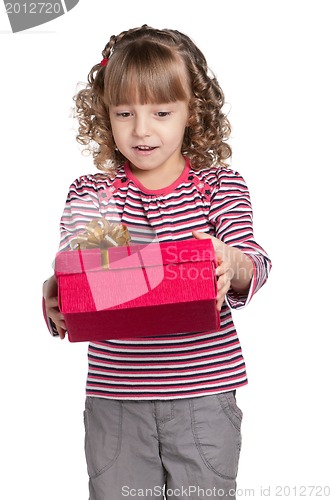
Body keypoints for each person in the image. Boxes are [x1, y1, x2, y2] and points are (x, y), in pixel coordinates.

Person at [43, 25, 271, 500]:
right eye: (125, 113)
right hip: (117, 401)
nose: (142, 130)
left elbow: (254, 262)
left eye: (162, 112)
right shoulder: (96, 193)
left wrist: (229, 262)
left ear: (192, 113)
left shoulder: (217, 188)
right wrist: (60, 284)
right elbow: (85, 264)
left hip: (202, 396)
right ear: (106, 116)